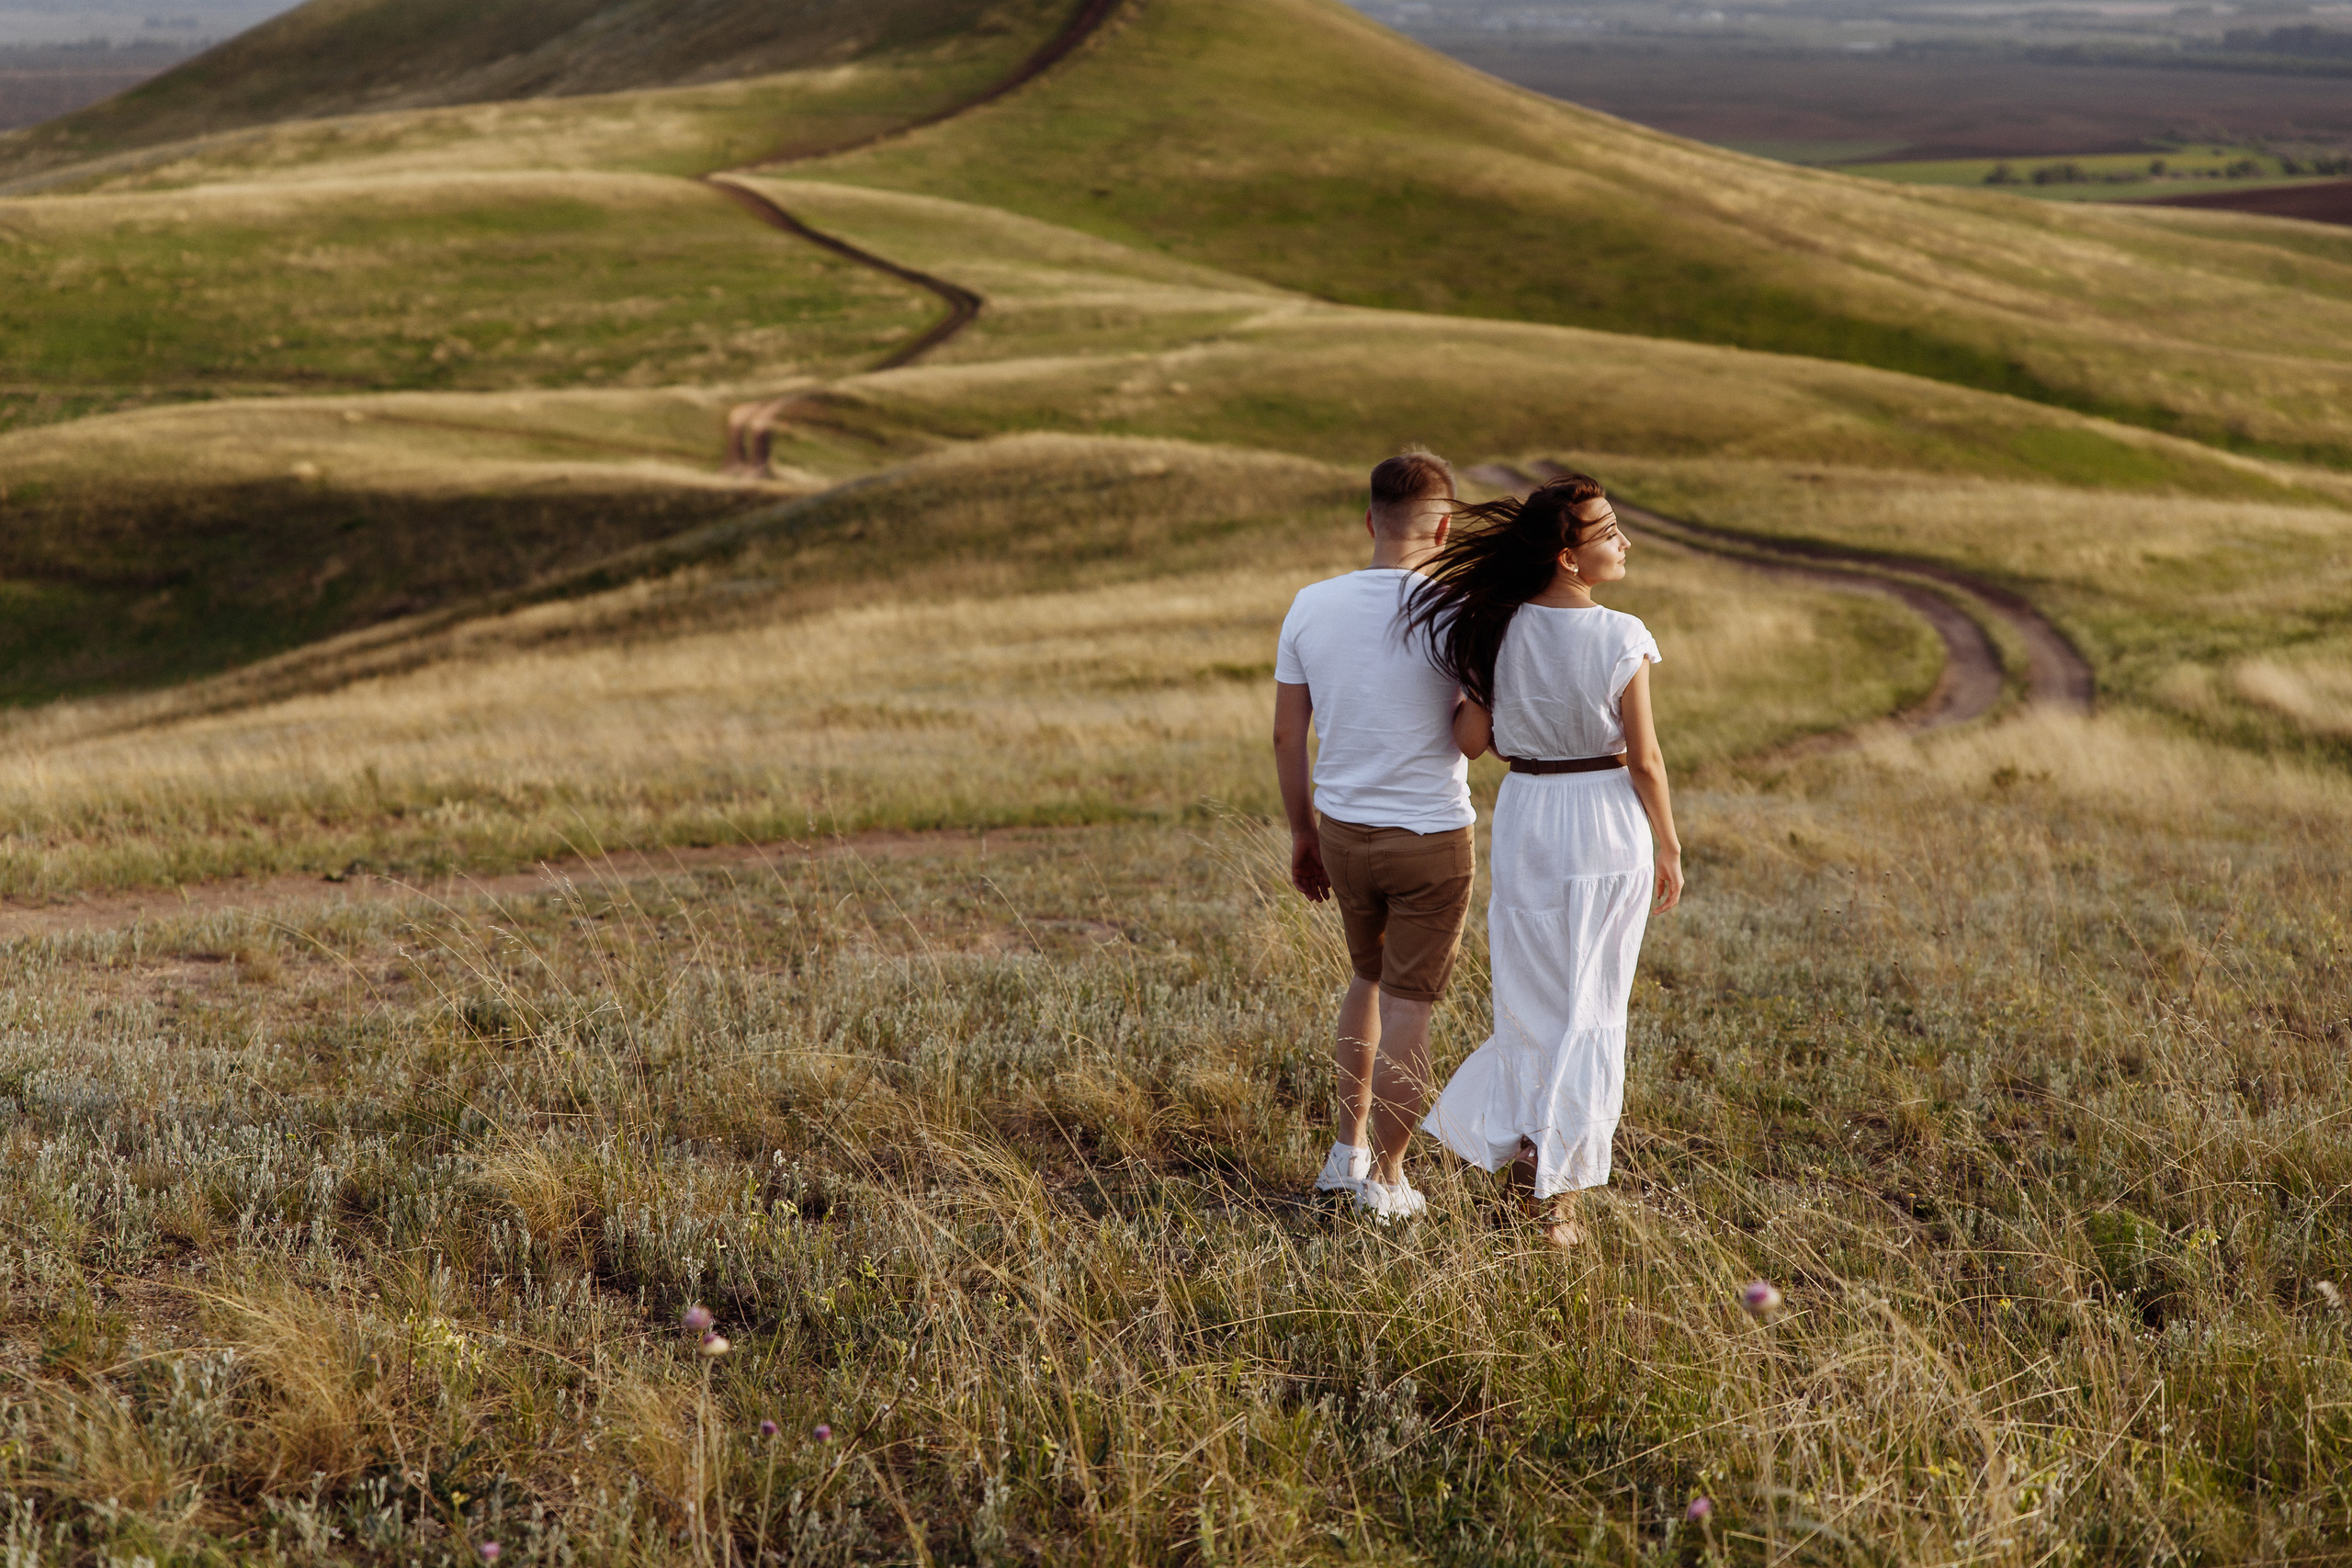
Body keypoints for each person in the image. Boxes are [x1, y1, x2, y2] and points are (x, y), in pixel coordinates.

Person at [1407, 473, 1683, 1246]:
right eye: (1608, 532)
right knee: (1592, 1004)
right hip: (1605, 820)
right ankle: (1555, 1194)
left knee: (1530, 1003)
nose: (1623, 541)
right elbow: (1648, 759)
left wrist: (1488, 678)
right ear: (1568, 557)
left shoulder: (1497, 628)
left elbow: (1470, 741)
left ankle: (1530, 1157)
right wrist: (1669, 841)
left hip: (1527, 814)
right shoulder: (1621, 634)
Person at [1272, 452, 1475, 1221]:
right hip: (1430, 836)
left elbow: (1289, 733)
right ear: (1445, 526)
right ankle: (1388, 1183)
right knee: (1410, 1004)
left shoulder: (1310, 604)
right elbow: (1472, 738)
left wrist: (1302, 830)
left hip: (1344, 831)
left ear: (1369, 520)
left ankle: (1344, 1153)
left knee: (1365, 980)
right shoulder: (1457, 610)